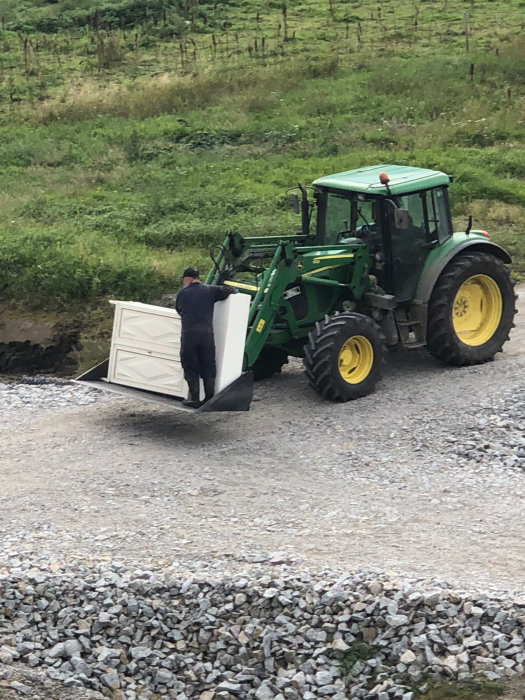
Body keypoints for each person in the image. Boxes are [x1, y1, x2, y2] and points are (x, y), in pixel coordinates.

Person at [175, 267, 237, 408]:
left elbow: (179, 310)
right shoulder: (210, 290)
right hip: (206, 333)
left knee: (190, 364)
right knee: (208, 362)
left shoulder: (182, 293)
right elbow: (228, 290)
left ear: (188, 278)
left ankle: (194, 398)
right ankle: (209, 397)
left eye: (184, 279)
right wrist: (235, 291)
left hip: (189, 333)